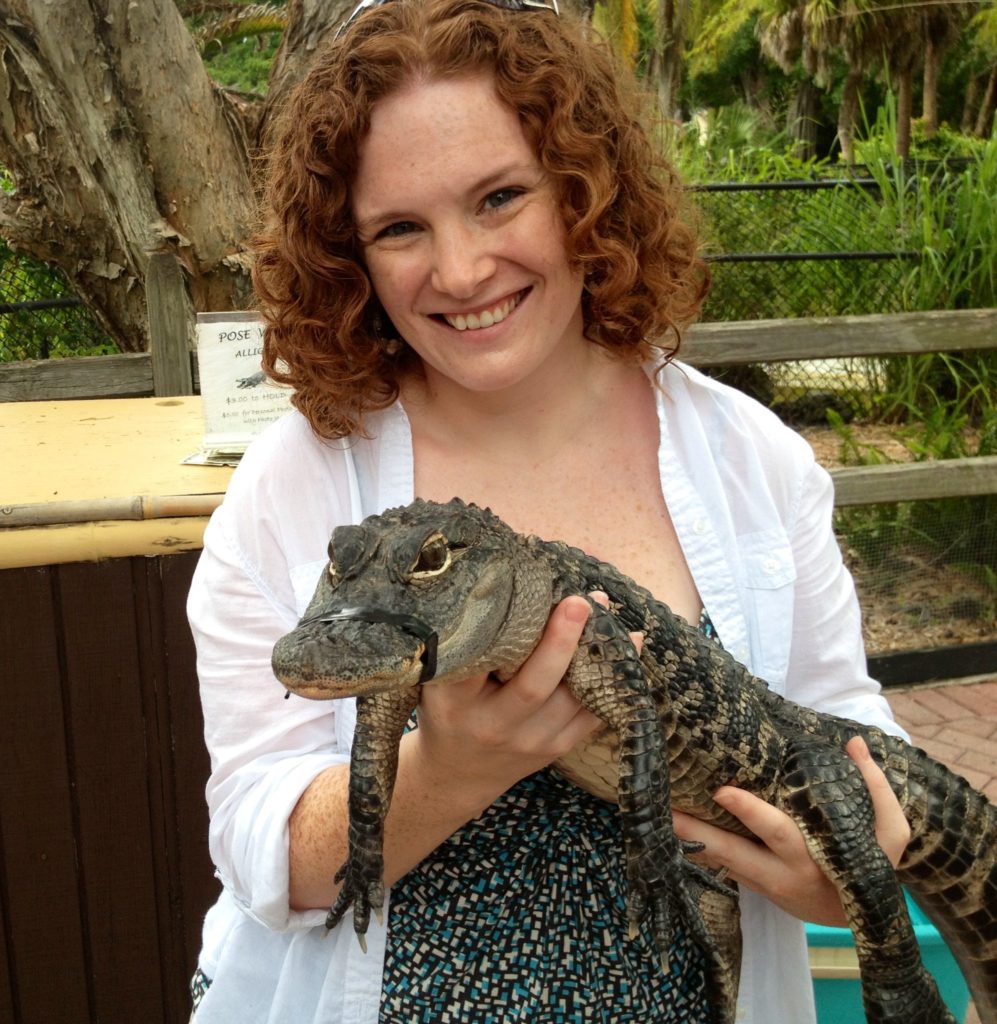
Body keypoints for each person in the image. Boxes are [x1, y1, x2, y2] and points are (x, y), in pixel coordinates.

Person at [187, 1, 911, 1021]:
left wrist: (847, 864)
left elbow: (847, 727)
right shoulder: (292, 487)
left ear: (582, 189)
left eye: (497, 197)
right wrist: (446, 770)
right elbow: (262, 845)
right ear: (347, 251)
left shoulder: (752, 458)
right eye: (400, 227)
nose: (462, 269)